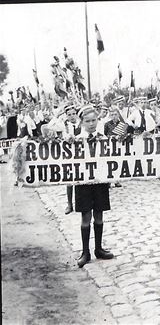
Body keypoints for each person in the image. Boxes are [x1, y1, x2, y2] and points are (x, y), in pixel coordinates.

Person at [75, 104, 114, 268]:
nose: (91, 124)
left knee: (99, 214)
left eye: (94, 120)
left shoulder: (103, 137)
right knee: (86, 216)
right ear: (82, 122)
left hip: (99, 180)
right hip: (83, 181)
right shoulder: (75, 139)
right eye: (87, 121)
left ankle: (98, 249)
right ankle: (86, 252)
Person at [63, 104, 81, 215]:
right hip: (69, 155)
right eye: (69, 115)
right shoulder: (64, 125)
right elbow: (50, 126)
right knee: (69, 180)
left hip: (80, 154)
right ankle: (69, 204)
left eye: (74, 114)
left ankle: (80, 203)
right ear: (66, 116)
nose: (72, 116)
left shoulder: (81, 124)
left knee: (80, 178)